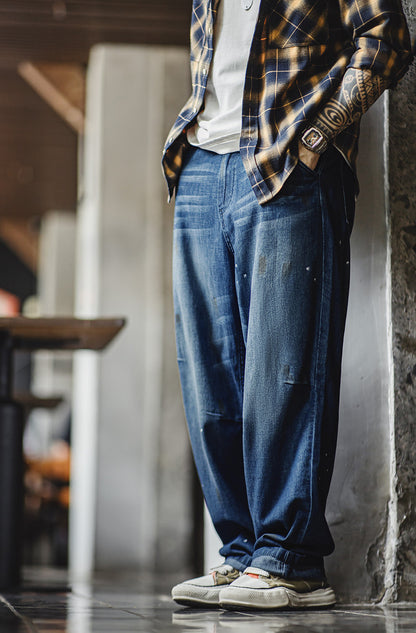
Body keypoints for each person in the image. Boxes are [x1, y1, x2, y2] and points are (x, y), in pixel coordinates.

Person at [162, 0, 413, 611]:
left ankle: (289, 560)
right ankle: (242, 551)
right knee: (209, 377)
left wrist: (319, 135)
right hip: (201, 162)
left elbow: (387, 38)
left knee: (284, 369)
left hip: (284, 159)